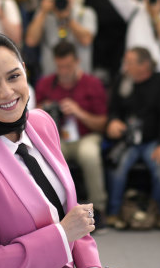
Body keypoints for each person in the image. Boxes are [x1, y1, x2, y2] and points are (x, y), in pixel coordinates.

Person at [0, 31, 124, 268]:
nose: (6, 93)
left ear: (24, 71)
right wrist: (61, 235)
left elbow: (67, 212)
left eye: (13, 76)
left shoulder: (42, 123)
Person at [35, 41, 109, 226]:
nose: (64, 71)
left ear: (77, 62)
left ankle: (98, 209)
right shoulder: (45, 84)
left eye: (68, 66)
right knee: (46, 156)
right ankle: (52, 209)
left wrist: (79, 112)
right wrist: (44, 111)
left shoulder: (92, 84)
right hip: (57, 138)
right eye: (60, 66)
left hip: (86, 136)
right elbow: (33, 121)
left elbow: (102, 124)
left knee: (89, 154)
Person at [105, 47, 160, 229]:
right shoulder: (123, 80)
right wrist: (112, 123)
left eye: (129, 63)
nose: (125, 67)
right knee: (116, 167)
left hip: (154, 141)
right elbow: (113, 110)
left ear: (145, 65)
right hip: (127, 141)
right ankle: (113, 212)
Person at [25, 0, 97, 76]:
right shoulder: (44, 14)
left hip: (80, 78)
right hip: (51, 78)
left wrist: (68, 19)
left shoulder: (85, 12)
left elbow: (86, 40)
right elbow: (31, 41)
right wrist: (43, 12)